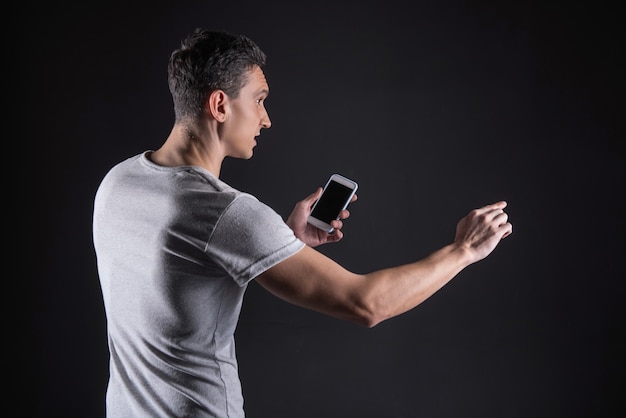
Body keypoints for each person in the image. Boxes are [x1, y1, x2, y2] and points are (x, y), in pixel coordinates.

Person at [92, 28, 513, 417]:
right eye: (259, 99)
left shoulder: (117, 182)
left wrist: (286, 242)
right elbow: (365, 304)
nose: (266, 118)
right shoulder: (225, 212)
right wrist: (463, 250)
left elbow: (183, 283)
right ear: (220, 105)